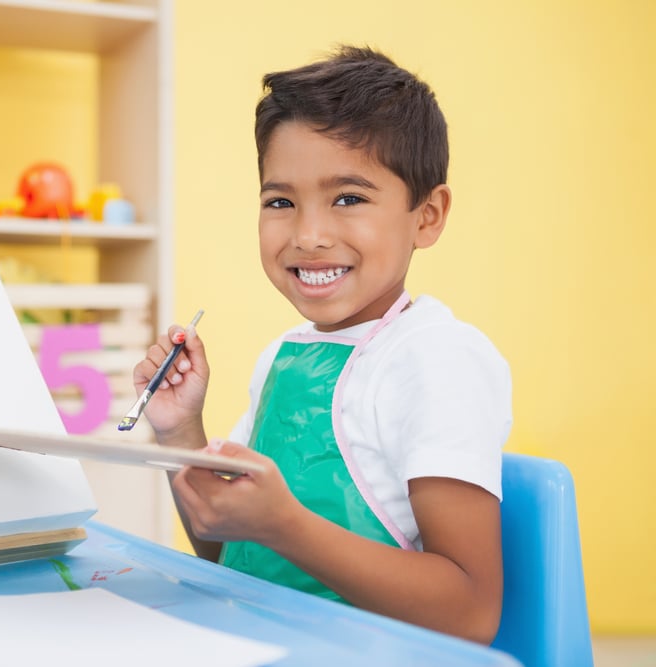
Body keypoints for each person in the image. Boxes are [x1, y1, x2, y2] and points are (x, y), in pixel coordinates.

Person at [132, 45, 512, 644]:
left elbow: (468, 615)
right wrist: (182, 433)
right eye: (280, 201)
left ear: (427, 216)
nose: (308, 236)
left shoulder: (439, 360)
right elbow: (227, 552)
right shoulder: (283, 354)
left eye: (349, 198)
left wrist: (285, 526)